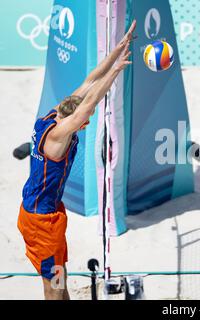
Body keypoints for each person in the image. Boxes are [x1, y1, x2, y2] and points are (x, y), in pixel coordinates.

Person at [17, 20, 137, 300]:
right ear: (76, 123)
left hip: (50, 213)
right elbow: (89, 104)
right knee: (54, 286)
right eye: (82, 122)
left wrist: (118, 50)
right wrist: (117, 72)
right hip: (40, 220)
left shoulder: (51, 116)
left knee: (62, 276)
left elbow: (88, 82)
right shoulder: (59, 135)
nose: (85, 122)